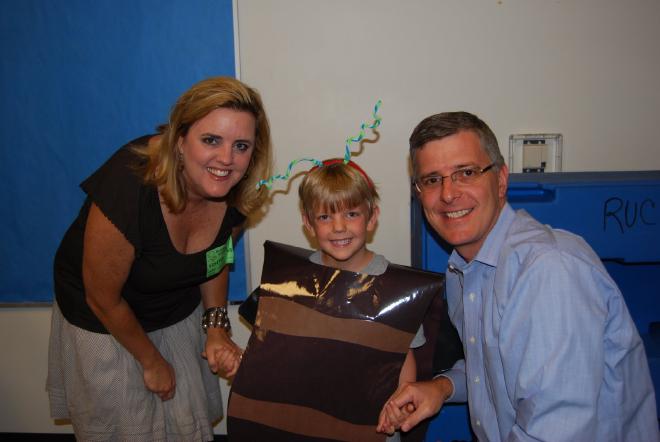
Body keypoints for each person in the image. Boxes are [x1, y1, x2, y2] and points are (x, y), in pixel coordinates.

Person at [378, 111, 659, 441]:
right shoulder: (462, 271)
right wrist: (442, 387)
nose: (448, 193)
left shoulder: (548, 271)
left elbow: (556, 431)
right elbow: (495, 368)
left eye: (466, 173)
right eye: (432, 180)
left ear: (500, 180)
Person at [46, 76, 272, 441]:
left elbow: (216, 257)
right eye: (211, 140)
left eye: (241, 145)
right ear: (179, 140)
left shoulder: (238, 187)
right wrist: (151, 361)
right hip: (105, 318)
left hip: (172, 306)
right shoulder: (129, 184)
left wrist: (215, 328)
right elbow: (102, 297)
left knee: (183, 423)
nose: (226, 159)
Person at [226, 159, 431, 441]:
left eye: (351, 214)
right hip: (307, 423)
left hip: (370, 425)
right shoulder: (292, 280)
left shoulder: (396, 288)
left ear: (372, 217)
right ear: (308, 223)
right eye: (325, 217)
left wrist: (401, 402)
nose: (338, 227)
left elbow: (402, 355)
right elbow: (276, 349)